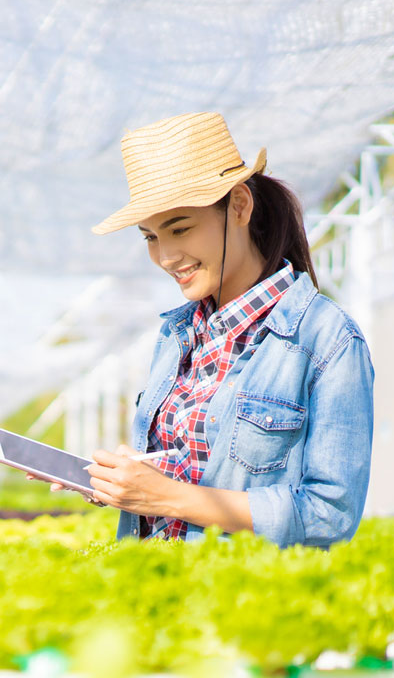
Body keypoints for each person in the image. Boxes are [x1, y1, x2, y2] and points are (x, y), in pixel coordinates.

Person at [46, 111, 374, 547]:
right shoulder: (177, 335)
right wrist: (134, 480)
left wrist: (168, 496)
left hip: (238, 605)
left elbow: (328, 517)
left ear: (238, 205)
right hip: (147, 589)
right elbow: (198, 469)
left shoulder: (325, 340)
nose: (166, 256)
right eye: (150, 238)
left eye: (179, 228)